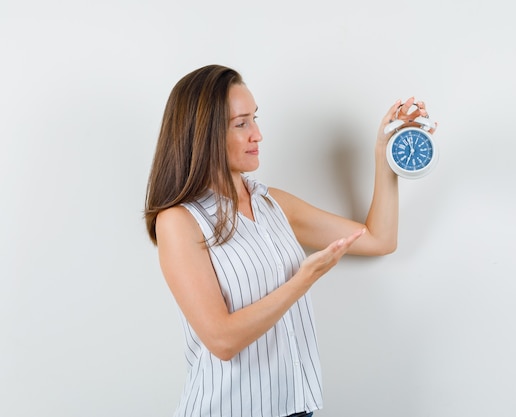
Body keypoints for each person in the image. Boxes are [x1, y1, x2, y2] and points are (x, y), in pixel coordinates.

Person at [144, 64, 437, 417]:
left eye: (255, 118)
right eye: (242, 123)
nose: (258, 134)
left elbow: (379, 238)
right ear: (203, 135)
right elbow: (222, 340)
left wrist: (384, 152)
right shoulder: (179, 221)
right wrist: (304, 280)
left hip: (297, 409)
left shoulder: (273, 205)